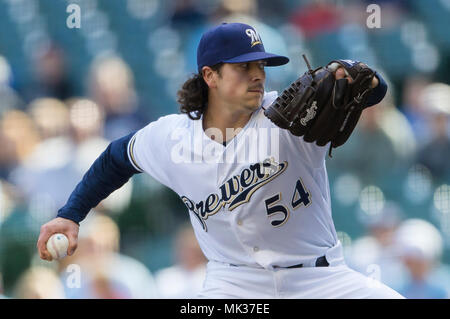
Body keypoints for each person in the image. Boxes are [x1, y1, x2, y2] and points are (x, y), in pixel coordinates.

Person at [37, 22, 403, 298]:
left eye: (261, 65)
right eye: (243, 67)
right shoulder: (172, 138)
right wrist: (70, 214)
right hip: (235, 285)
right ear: (209, 75)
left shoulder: (289, 118)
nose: (257, 74)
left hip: (321, 279)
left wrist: (357, 73)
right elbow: (117, 158)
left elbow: (373, 89)